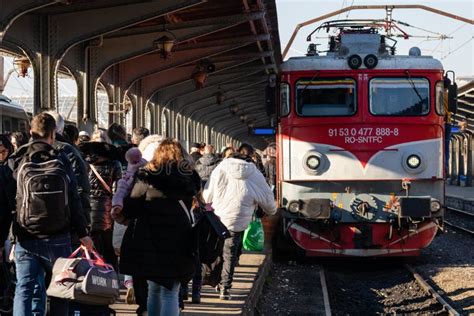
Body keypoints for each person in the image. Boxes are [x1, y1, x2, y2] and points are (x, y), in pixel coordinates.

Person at [7, 112, 92, 316]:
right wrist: (83, 233)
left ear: (30, 132)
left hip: (26, 236)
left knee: (24, 289)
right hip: (58, 236)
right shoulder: (62, 159)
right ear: (53, 134)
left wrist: (11, 234)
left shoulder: (17, 160)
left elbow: (9, 200)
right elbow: (74, 199)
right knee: (60, 290)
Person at [118, 139, 201, 316]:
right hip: (180, 240)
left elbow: (132, 205)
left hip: (149, 239)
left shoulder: (146, 175)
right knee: (171, 291)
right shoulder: (190, 176)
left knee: (153, 288)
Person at [203, 152, 276, 300]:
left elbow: (207, 196)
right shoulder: (254, 173)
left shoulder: (220, 168)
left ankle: (214, 280)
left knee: (217, 250)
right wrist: (271, 211)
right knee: (230, 253)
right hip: (239, 220)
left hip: (218, 219)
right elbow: (269, 201)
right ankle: (225, 288)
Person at [112, 134, 163, 315]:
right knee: (162, 278)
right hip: (165, 234)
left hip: (139, 230)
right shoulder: (173, 177)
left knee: (139, 269)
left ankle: (143, 304)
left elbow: (128, 203)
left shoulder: (136, 176)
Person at [79, 130, 122, 268]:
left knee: (91, 244)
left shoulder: (85, 163)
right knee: (108, 245)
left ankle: (92, 275)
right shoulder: (115, 164)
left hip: (88, 208)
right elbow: (118, 189)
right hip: (107, 209)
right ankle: (110, 275)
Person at [45, 111, 91, 231]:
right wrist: (84, 225)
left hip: (30, 227)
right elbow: (80, 189)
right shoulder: (69, 151)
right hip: (63, 222)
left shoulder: (24, 151)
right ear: (60, 129)